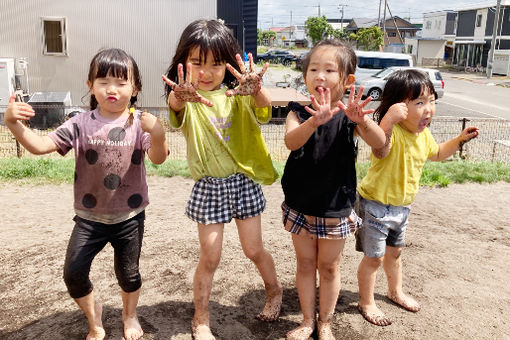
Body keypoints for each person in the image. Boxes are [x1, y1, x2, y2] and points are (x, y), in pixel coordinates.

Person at [4, 48, 168, 340]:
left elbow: (159, 158)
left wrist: (157, 134)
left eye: (121, 82)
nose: (112, 89)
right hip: (89, 217)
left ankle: (129, 315)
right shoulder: (80, 123)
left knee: (129, 275)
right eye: (103, 81)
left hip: (129, 217)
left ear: (135, 88)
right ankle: (95, 318)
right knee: (74, 274)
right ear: (90, 86)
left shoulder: (139, 122)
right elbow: (41, 146)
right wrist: (14, 124)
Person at [161, 19, 282, 340]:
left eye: (216, 63)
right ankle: (200, 318)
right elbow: (174, 110)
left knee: (254, 249)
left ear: (228, 64)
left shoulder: (239, 93)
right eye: (198, 63)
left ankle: (274, 291)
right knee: (210, 256)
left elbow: (264, 110)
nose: (207, 71)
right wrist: (179, 96)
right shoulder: (186, 98)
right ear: (183, 63)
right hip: (209, 187)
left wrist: (256, 89)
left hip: (243, 182)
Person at [280, 39, 387, 340]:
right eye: (313, 68)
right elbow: (291, 142)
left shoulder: (350, 113)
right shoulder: (298, 110)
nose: (319, 75)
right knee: (304, 263)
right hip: (301, 201)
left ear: (347, 80)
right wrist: (313, 121)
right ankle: (306, 321)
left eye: (329, 69)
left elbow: (380, 143)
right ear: (305, 76)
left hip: (336, 205)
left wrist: (362, 121)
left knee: (328, 266)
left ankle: (325, 322)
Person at [356, 69, 479, 326]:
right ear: (398, 107)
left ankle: (395, 291)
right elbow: (380, 149)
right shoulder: (393, 132)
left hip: (402, 208)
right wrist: (388, 121)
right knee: (374, 258)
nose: (428, 110)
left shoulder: (423, 135)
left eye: (431, 101)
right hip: (375, 205)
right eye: (420, 103)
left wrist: (458, 140)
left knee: (395, 253)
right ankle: (366, 302)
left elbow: (437, 153)